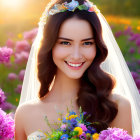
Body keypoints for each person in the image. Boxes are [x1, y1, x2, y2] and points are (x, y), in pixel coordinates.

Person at [14, 0, 140, 139]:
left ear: (97, 46)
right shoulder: (25, 114)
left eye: (87, 43)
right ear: (49, 46)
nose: (76, 55)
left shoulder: (116, 107)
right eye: (65, 43)